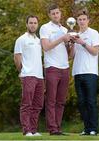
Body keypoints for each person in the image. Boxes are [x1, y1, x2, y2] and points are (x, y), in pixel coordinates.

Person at [39, 4, 71, 135]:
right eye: (53, 13)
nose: (56, 15)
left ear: (60, 13)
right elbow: (46, 47)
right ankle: (52, 129)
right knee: (51, 100)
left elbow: (68, 53)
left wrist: (69, 43)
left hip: (65, 67)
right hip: (52, 67)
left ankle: (58, 128)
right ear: (49, 15)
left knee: (61, 101)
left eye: (57, 13)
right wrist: (62, 39)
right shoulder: (45, 28)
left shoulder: (65, 29)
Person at [70, 10, 99, 136]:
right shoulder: (75, 34)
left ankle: (93, 128)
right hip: (77, 72)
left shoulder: (94, 33)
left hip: (90, 72)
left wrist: (82, 43)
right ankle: (86, 128)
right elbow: (71, 56)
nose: (82, 21)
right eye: (79, 19)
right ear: (77, 21)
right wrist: (71, 44)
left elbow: (95, 52)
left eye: (84, 19)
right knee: (81, 102)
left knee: (91, 101)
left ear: (88, 20)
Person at [14, 15, 44, 137]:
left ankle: (33, 129)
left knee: (38, 104)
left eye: (35, 23)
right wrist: (22, 71)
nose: (33, 25)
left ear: (37, 25)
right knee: (27, 103)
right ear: (26, 24)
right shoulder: (21, 39)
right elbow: (17, 57)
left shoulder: (38, 40)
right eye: (30, 23)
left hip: (39, 76)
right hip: (28, 75)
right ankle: (26, 130)